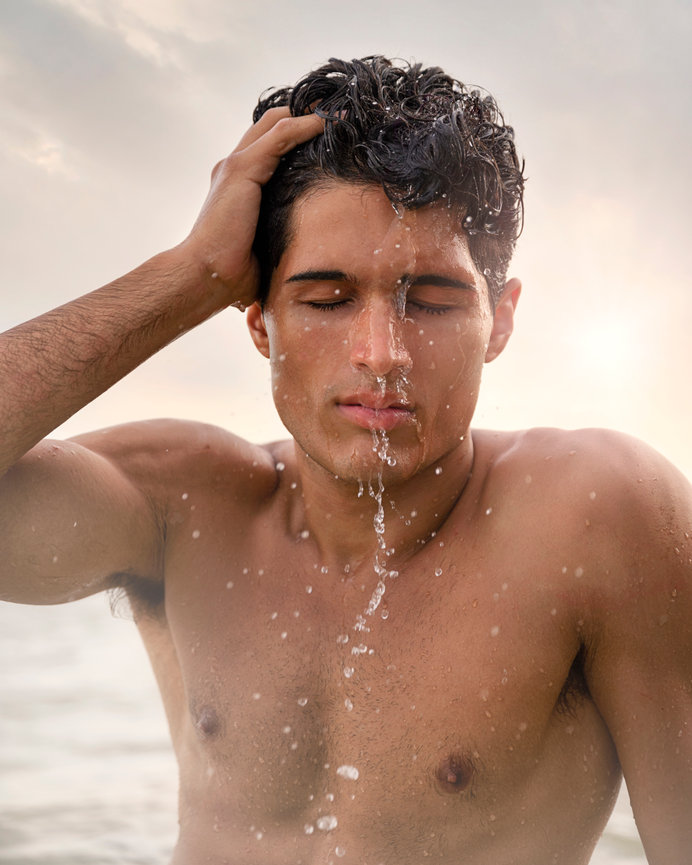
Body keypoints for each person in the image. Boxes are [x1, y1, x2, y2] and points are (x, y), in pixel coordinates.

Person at [1, 55, 690, 865]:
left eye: (432, 298)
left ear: (500, 321)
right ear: (257, 320)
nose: (381, 353)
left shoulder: (595, 519)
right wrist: (188, 276)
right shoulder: (181, 504)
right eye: (325, 299)